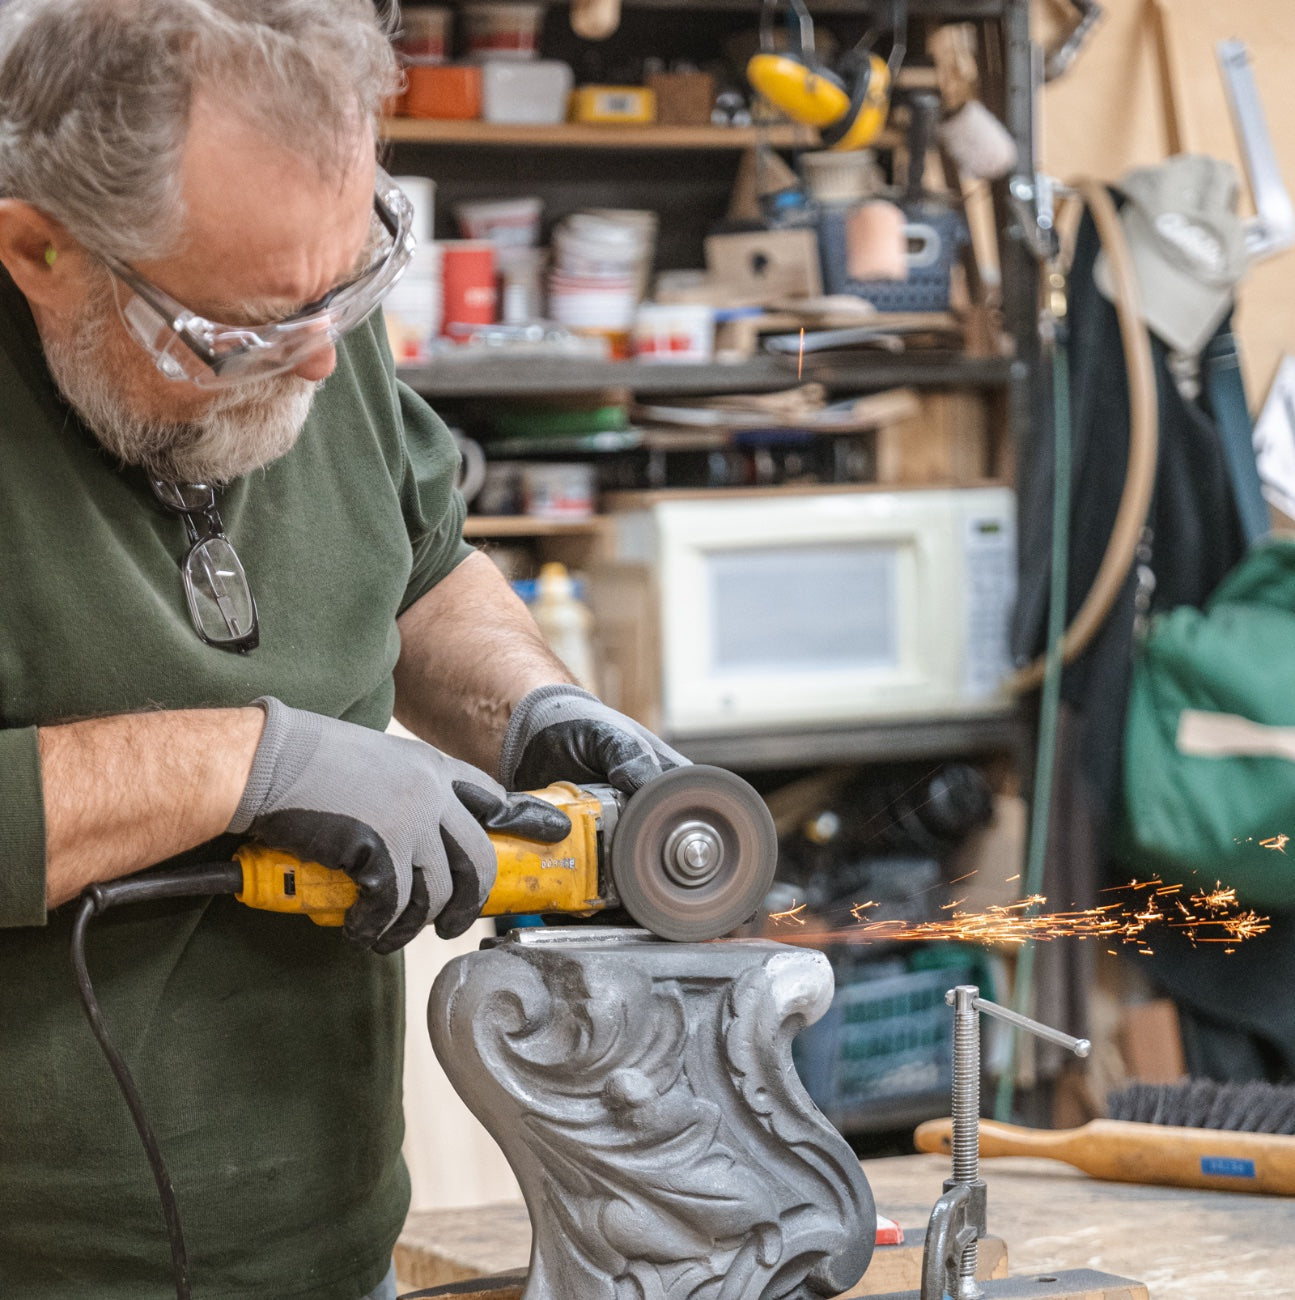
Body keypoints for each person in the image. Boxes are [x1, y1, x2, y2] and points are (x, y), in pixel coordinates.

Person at [0, 2, 685, 1297]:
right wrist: (249, 765)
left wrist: (529, 706)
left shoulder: (300, 288)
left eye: (355, 282)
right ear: (41, 249)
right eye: (241, 334)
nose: (319, 360)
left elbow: (420, 566)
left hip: (328, 1241)